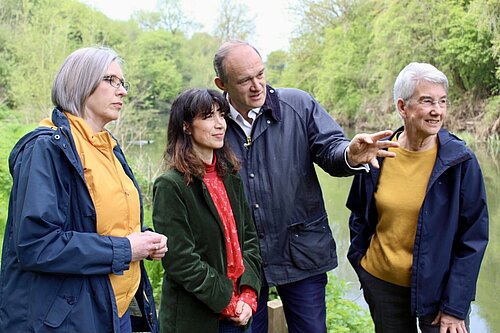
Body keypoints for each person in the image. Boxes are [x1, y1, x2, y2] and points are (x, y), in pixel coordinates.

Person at [212, 40, 399, 333]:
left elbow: (331, 150)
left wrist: (349, 154)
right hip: (241, 259)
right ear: (221, 83)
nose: (257, 85)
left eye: (260, 74)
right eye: (244, 80)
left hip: (300, 250)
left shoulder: (298, 105)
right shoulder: (213, 120)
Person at [0, 46, 168, 333]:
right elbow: (37, 245)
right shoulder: (46, 148)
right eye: (111, 80)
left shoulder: (109, 148)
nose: (122, 91)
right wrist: (127, 248)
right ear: (81, 82)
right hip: (68, 320)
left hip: (116, 312)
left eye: (122, 83)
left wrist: (143, 240)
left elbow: (99, 223)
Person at [347, 62, 489, 333]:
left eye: (442, 101)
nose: (437, 111)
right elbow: (358, 214)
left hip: (439, 293)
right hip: (383, 285)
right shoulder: (378, 153)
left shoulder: (460, 161)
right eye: (427, 101)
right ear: (403, 107)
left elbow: (473, 239)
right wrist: (361, 263)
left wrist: (455, 306)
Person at [152, 88, 262, 333]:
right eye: (208, 117)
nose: (219, 124)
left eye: (221, 115)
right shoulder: (171, 186)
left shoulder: (231, 178)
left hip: (240, 315)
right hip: (197, 319)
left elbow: (250, 240)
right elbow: (180, 260)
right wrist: (228, 301)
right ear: (186, 126)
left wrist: (249, 293)